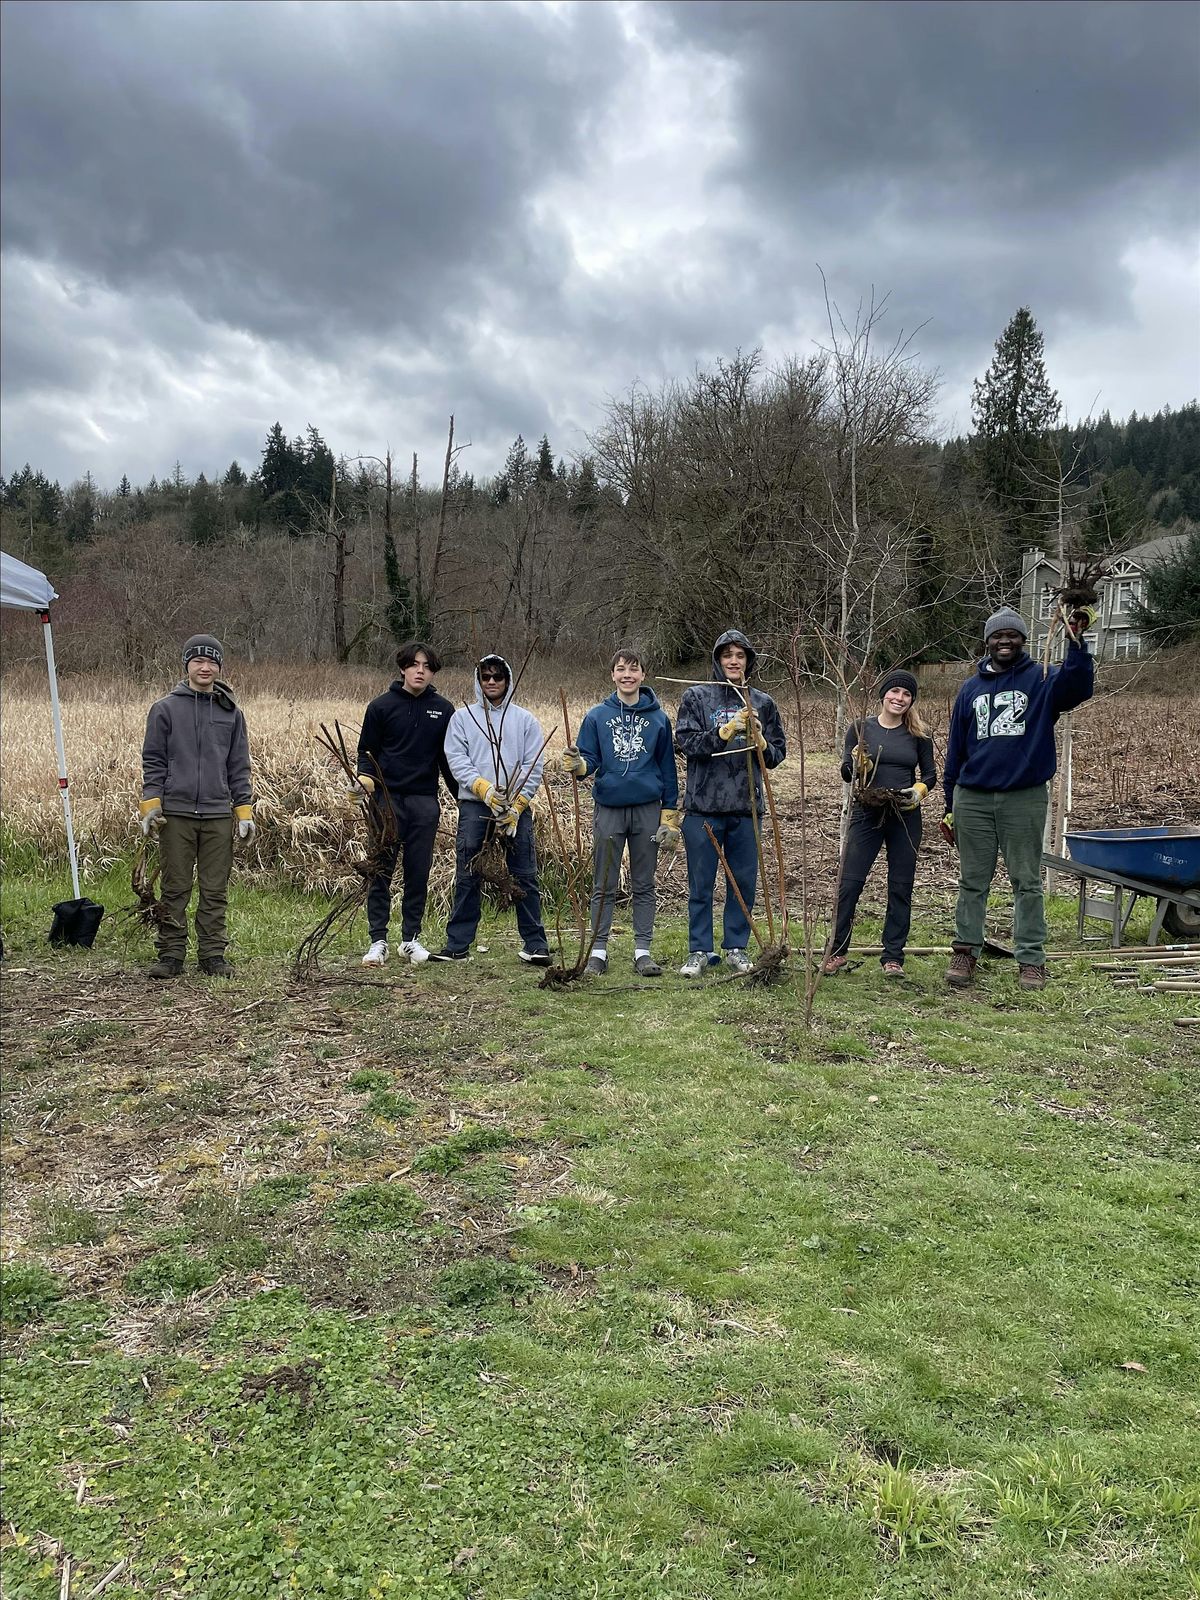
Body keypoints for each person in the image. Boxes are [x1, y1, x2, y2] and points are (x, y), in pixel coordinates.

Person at [942, 603, 1095, 991]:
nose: (1004, 640)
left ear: (1023, 640)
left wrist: (1076, 641)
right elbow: (955, 749)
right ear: (988, 642)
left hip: (1023, 797)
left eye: (1012, 634)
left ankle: (1031, 958)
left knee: (1026, 880)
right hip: (972, 798)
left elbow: (1078, 686)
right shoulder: (970, 689)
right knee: (972, 881)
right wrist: (949, 806)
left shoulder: (1042, 679)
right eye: (997, 635)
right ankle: (966, 951)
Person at [139, 633, 254, 979]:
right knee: (175, 887)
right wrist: (151, 804)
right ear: (187, 665)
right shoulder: (165, 709)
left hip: (219, 814)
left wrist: (244, 810)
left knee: (215, 888)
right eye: (198, 661)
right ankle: (171, 955)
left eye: (212, 662)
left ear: (219, 666)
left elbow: (239, 764)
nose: (205, 667)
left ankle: (212, 955)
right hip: (176, 813)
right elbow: (153, 760)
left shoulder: (231, 713)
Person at [561, 646, 680, 977]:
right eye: (621, 669)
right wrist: (579, 764)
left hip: (647, 810)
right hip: (609, 809)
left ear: (643, 675)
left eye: (634, 668)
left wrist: (670, 815)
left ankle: (643, 951)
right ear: (612, 674)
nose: (627, 674)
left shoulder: (658, 719)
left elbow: (667, 767)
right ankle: (598, 951)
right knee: (604, 882)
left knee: (644, 883)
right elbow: (590, 760)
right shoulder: (597, 717)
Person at [673, 629, 787, 976]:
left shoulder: (763, 702)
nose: (733, 661)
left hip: (746, 807)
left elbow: (777, 755)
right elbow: (686, 744)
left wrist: (761, 740)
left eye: (739, 656)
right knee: (701, 882)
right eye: (727, 656)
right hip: (703, 806)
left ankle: (737, 947)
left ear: (748, 661)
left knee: (743, 882)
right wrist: (725, 731)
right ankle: (699, 950)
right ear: (717, 661)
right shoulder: (696, 697)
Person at [434, 654, 551, 965]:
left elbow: (533, 764)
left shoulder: (525, 720)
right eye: (485, 676)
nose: (492, 681)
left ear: (508, 680)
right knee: (469, 872)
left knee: (524, 873)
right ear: (478, 680)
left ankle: (536, 945)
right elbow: (456, 759)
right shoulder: (463, 719)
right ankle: (457, 945)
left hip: (514, 807)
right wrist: (483, 788)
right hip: (476, 806)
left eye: (498, 676)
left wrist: (518, 803)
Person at [823, 669, 936, 978]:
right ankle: (836, 952)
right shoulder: (860, 728)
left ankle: (893, 957)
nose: (899, 698)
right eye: (894, 692)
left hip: (904, 814)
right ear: (883, 694)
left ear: (912, 700)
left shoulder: (919, 735)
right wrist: (859, 765)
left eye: (906, 694)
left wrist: (918, 792)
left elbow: (930, 775)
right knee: (849, 883)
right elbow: (847, 772)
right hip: (867, 812)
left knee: (901, 887)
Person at [355, 641, 456, 966]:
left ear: (433, 672)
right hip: (386, 802)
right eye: (415, 665)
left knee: (418, 872)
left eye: (427, 666)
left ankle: (410, 939)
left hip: (424, 802)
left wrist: (465, 799)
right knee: (381, 870)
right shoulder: (381, 707)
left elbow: (448, 761)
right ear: (403, 668)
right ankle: (378, 941)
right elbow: (366, 754)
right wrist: (365, 782)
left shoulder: (443, 709)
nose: (420, 671)